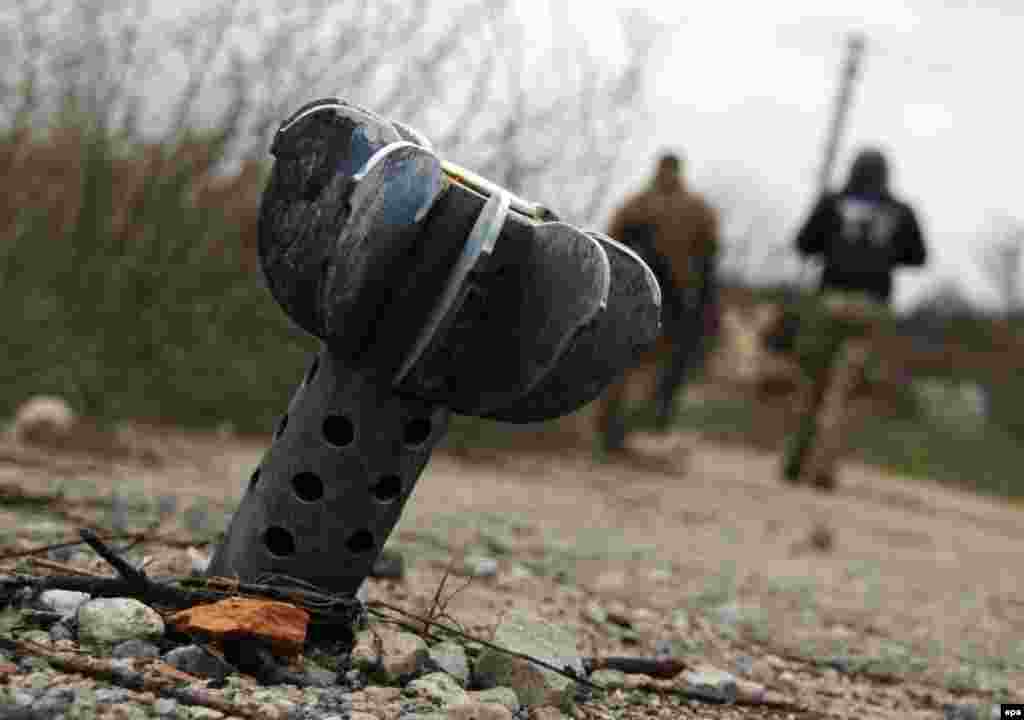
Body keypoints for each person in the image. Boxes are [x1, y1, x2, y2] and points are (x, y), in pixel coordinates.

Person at [782, 147, 927, 490]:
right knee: (846, 391)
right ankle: (824, 468)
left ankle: (795, 462)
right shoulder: (901, 210)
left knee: (812, 385)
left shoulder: (832, 201)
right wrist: (885, 256)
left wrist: (834, 248)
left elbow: (803, 244)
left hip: (830, 301)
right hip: (872, 309)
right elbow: (918, 256)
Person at [596, 152, 719, 454]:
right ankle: (623, 432)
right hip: (672, 299)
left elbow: (611, 244)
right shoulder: (696, 209)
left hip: (654, 297)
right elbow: (710, 258)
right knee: (647, 368)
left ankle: (617, 432)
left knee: (632, 365)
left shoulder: (637, 204)